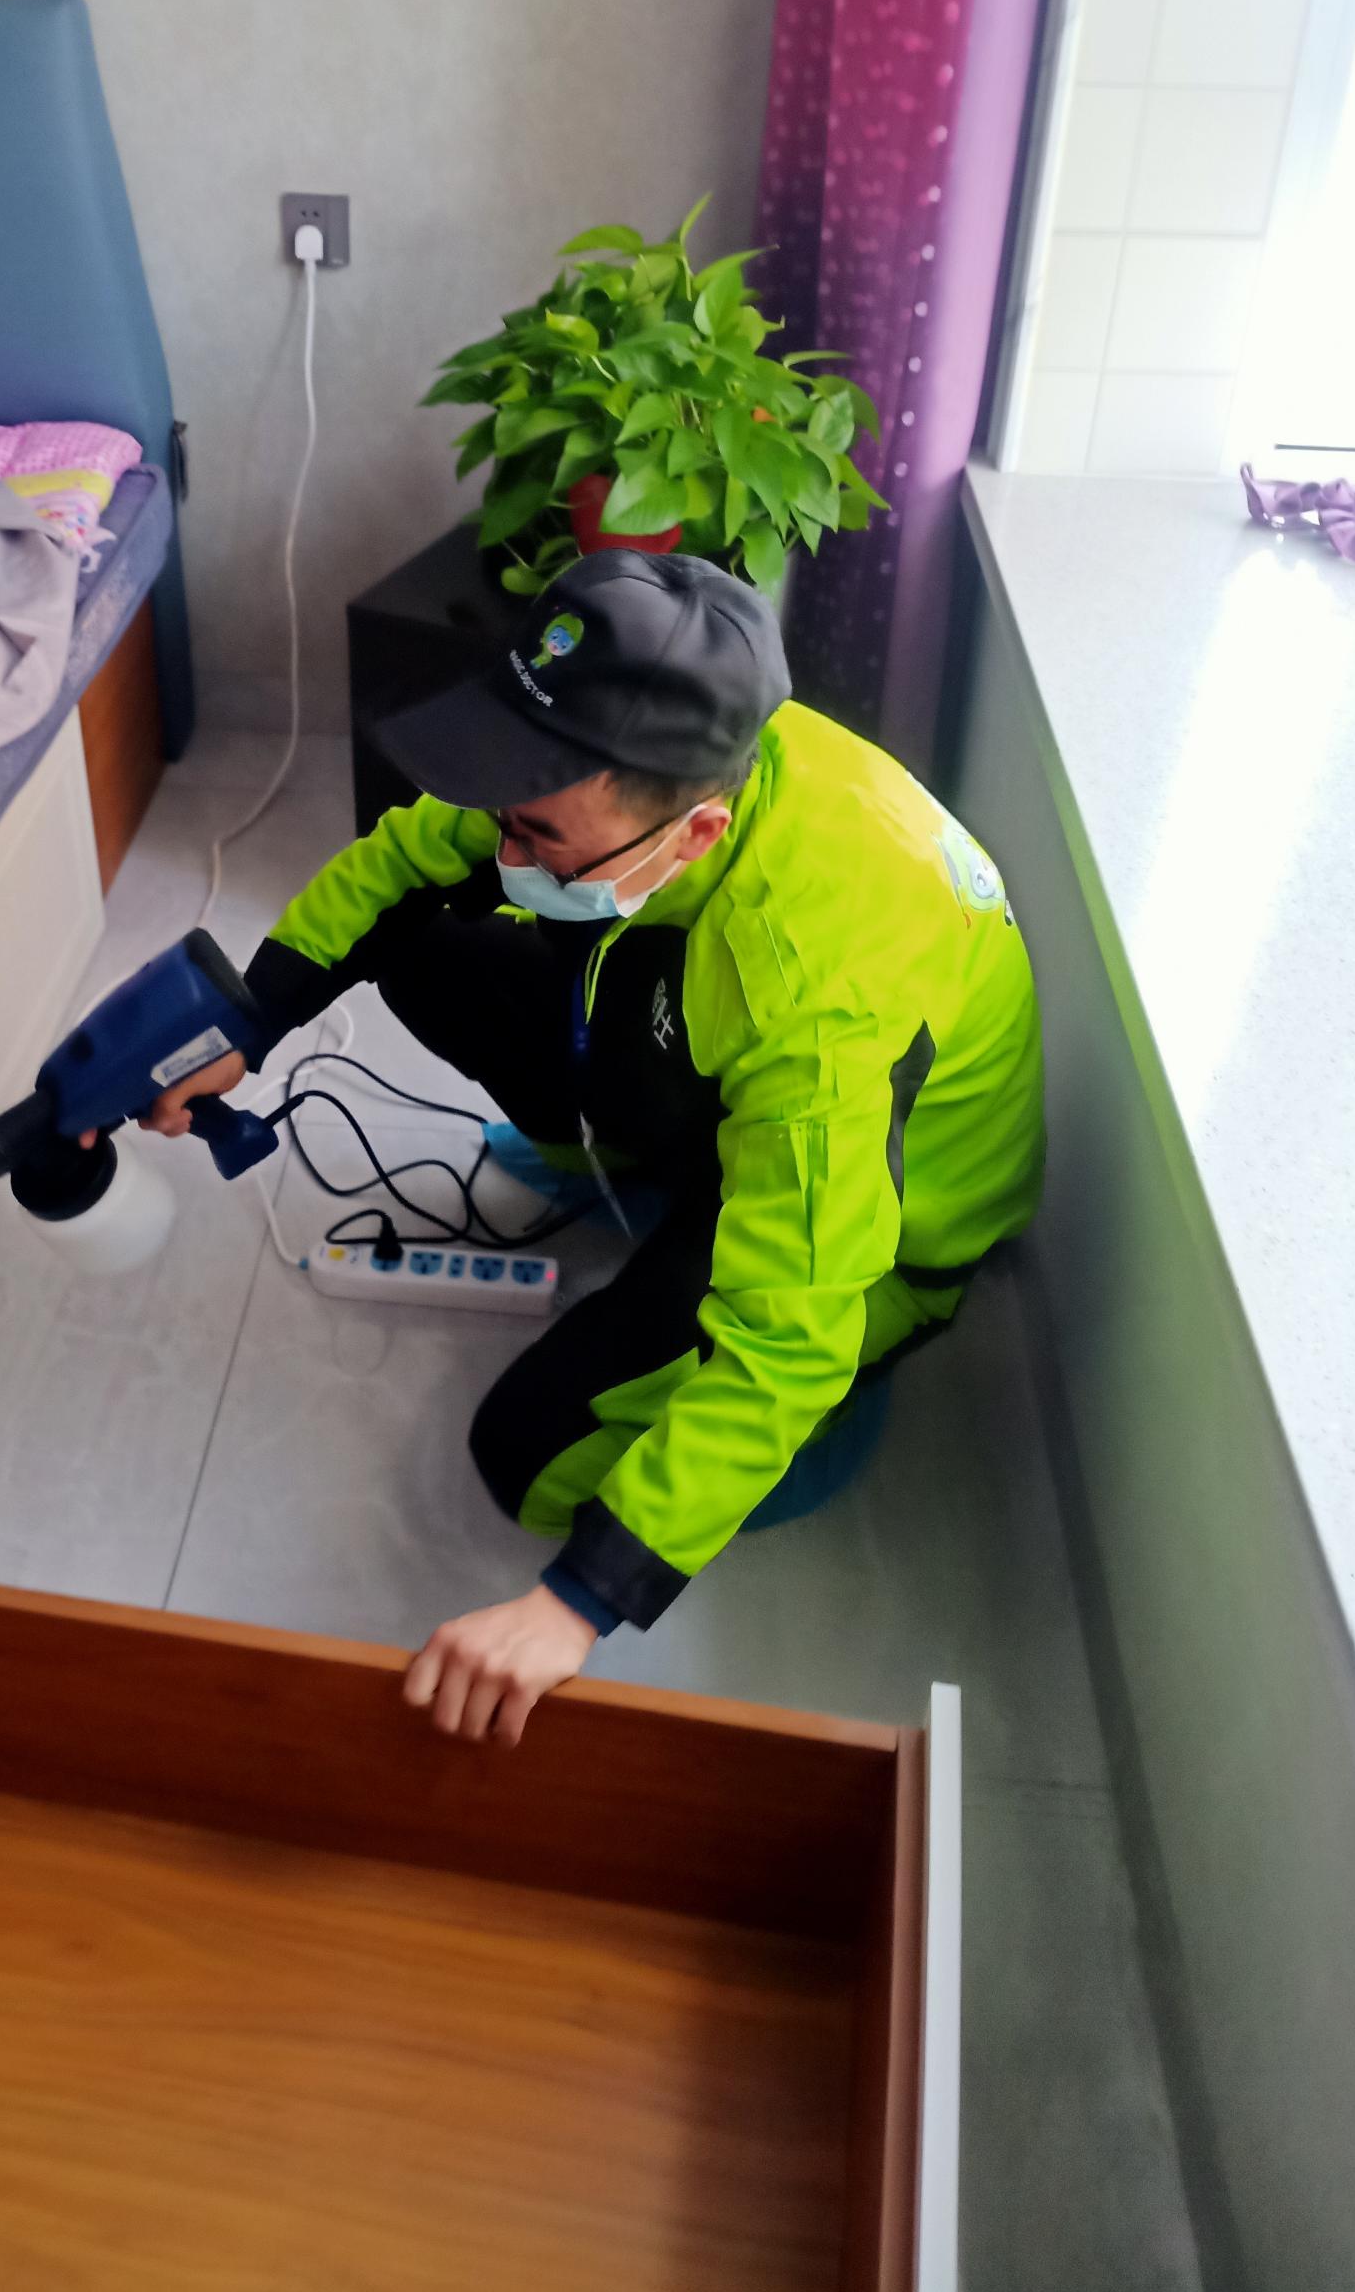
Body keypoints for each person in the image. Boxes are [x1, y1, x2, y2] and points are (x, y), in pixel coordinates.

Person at [148, 551, 1044, 1746]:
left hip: (876, 1234)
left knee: (528, 1461)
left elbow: (789, 1340)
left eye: (539, 833)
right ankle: (642, 1173)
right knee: (420, 942)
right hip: (736, 1080)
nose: (506, 855)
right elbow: (410, 858)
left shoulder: (821, 994)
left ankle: (823, 1373)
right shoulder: (641, 759)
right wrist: (247, 1021)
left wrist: (578, 1603)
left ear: (699, 829)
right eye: (509, 816)